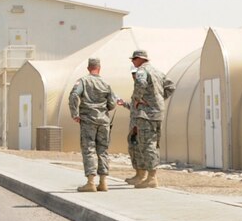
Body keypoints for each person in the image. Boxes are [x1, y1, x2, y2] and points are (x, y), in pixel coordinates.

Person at [64, 56, 123, 192]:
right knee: (103, 150)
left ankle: (90, 182)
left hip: (88, 120)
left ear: (88, 68)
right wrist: (104, 110)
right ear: (99, 68)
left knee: (89, 148)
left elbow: (73, 95)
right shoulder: (106, 83)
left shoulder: (83, 81)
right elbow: (113, 103)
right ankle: (103, 182)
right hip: (103, 121)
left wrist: (75, 114)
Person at [126, 48, 175, 188]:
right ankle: (144, 176)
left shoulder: (142, 71)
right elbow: (171, 87)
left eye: (134, 59)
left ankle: (152, 178)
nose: (133, 62)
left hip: (146, 114)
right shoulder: (158, 72)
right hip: (157, 113)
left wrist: (137, 98)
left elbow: (140, 84)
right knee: (151, 143)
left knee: (147, 145)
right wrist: (158, 99)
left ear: (140, 59)